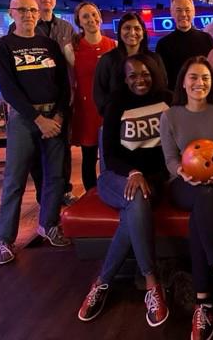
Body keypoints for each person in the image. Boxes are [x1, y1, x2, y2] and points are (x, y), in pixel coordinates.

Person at [78, 54, 172, 326]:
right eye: (132, 75)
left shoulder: (167, 99)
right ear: (124, 78)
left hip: (153, 180)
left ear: (153, 72)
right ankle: (152, 282)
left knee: (137, 203)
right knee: (136, 194)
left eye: (144, 74)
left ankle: (102, 283)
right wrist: (133, 172)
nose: (139, 80)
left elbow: (175, 146)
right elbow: (110, 154)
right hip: (115, 176)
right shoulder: (115, 103)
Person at [160, 56, 213, 340]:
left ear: (212, 83)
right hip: (183, 183)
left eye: (205, 78)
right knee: (201, 196)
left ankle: (203, 302)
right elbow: (171, 159)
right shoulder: (170, 115)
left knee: (204, 200)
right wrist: (182, 173)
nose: (200, 83)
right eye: (194, 77)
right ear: (183, 82)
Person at [0, 0, 71, 265]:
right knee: (14, 180)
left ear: (38, 14)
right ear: (10, 13)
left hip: (54, 115)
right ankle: (4, 239)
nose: (28, 14)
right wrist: (39, 119)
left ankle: (48, 224)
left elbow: (63, 83)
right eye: (22, 10)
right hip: (25, 119)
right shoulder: (2, 46)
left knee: (56, 177)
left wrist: (58, 114)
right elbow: (9, 89)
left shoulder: (48, 44)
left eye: (32, 10)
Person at [9, 0, 77, 205]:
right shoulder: (21, 28)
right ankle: (43, 197)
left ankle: (64, 191)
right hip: (32, 106)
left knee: (62, 149)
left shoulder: (66, 28)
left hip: (61, 99)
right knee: (37, 158)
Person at [63, 2, 116, 191]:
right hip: (86, 111)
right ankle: (91, 195)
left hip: (109, 110)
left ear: (100, 18)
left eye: (94, 15)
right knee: (89, 157)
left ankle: (111, 191)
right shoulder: (71, 49)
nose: (91, 19)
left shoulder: (114, 46)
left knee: (111, 156)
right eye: (85, 16)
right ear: (79, 21)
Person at [93, 12, 167, 115]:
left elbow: (162, 87)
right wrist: (112, 115)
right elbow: (99, 94)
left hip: (151, 117)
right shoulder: (108, 60)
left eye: (137, 28)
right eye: (127, 28)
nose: (132, 32)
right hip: (118, 120)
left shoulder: (154, 59)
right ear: (119, 32)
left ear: (143, 32)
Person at [155, 0, 213, 90]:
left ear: (194, 12)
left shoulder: (206, 39)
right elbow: (163, 78)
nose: (183, 14)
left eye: (187, 10)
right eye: (178, 10)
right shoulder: (163, 44)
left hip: (203, 94)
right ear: (171, 13)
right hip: (176, 97)